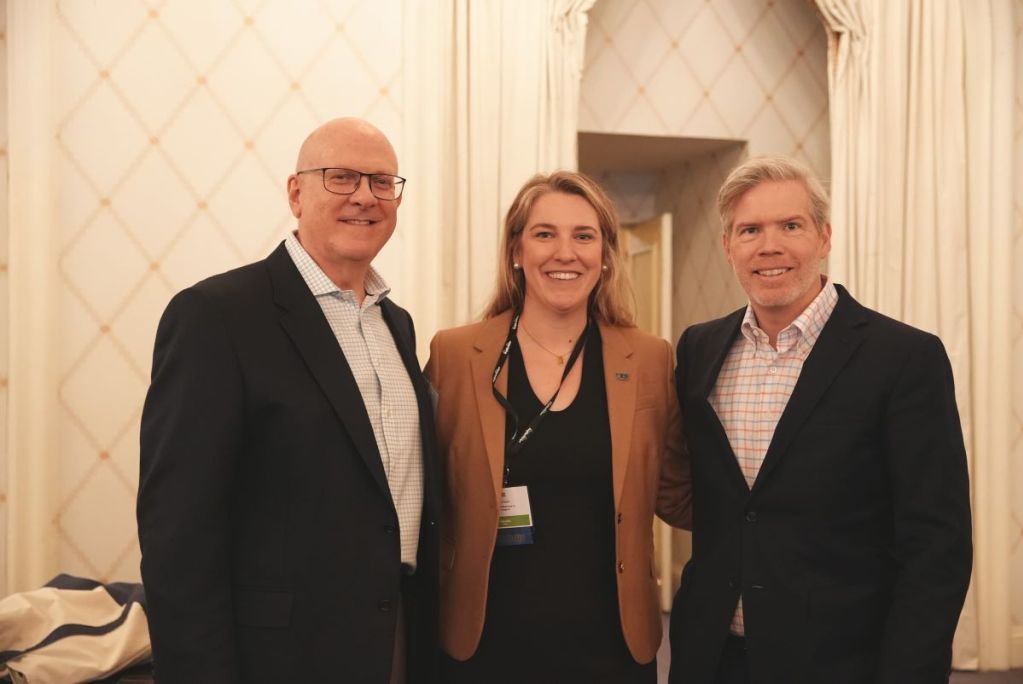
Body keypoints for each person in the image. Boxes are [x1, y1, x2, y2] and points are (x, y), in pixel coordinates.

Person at [137, 118, 440, 683]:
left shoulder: (395, 324)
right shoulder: (218, 316)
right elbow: (177, 532)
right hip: (277, 657)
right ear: (296, 193)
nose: (365, 197)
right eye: (341, 177)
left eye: (381, 182)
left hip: (396, 638)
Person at [658, 155, 972, 683]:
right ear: (728, 246)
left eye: (791, 225)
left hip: (842, 660)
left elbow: (937, 543)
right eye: (750, 230)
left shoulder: (903, 358)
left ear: (824, 237)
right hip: (710, 657)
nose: (769, 246)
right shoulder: (698, 348)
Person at [425, 171, 689, 683]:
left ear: (606, 254)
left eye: (584, 236)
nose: (564, 253)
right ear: (516, 251)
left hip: (610, 647)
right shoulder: (455, 356)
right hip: (484, 646)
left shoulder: (649, 359)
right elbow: (423, 494)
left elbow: (677, 491)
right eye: (544, 234)